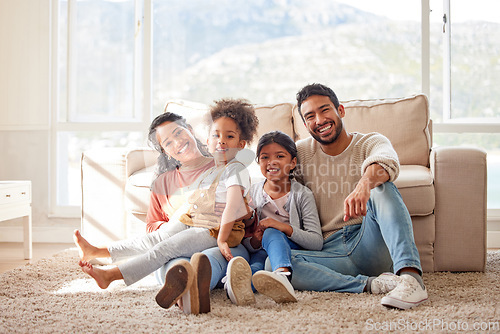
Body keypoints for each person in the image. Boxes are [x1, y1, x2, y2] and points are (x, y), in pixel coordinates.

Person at [73, 98, 259, 312]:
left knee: (168, 250)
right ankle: (97, 251)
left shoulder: (231, 168)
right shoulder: (170, 180)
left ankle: (113, 275)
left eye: (178, 133)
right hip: (193, 223)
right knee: (160, 244)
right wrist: (180, 218)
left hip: (214, 232)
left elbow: (240, 206)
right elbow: (153, 228)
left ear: (190, 130)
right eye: (168, 142)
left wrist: (238, 220)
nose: (177, 142)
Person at [289, 83, 428, 310]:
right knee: (278, 264)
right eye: (310, 116)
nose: (319, 120)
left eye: (325, 110)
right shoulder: (300, 152)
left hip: (368, 242)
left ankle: (412, 278)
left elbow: (387, 162)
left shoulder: (370, 141)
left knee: (383, 188)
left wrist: (364, 184)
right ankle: (371, 285)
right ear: (305, 125)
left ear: (340, 110)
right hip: (329, 253)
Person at [223, 131, 323, 305]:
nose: (272, 162)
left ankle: (282, 275)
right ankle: (237, 289)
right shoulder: (252, 192)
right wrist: (254, 240)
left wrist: (281, 226)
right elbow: (247, 243)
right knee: (255, 268)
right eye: (264, 157)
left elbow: (316, 242)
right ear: (258, 162)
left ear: (292, 163)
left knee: (272, 232)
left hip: (288, 248)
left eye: (280, 156)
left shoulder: (302, 194)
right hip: (260, 250)